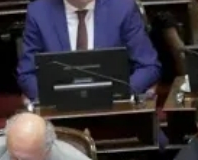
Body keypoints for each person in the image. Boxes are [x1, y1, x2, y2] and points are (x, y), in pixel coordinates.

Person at [17, 0, 162, 103]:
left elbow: (149, 66)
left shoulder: (122, 8)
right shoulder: (39, 12)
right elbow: (26, 74)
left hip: (115, 108)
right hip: (59, 113)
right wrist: (52, 98)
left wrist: (121, 93)